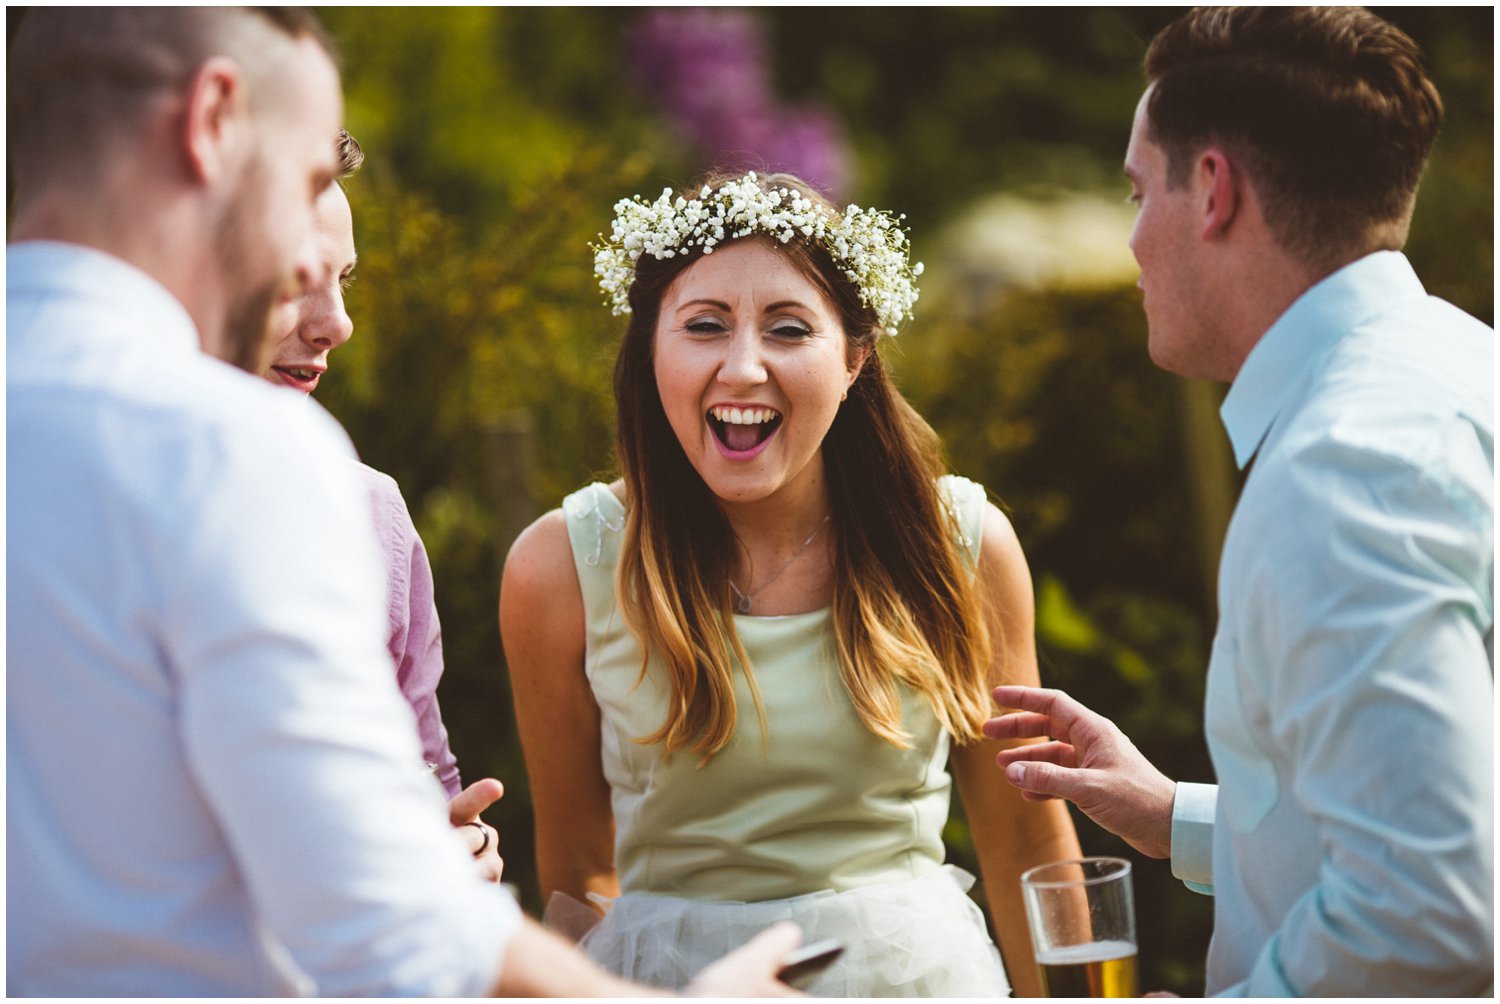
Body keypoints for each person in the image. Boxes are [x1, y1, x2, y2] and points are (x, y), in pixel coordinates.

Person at [7, 8, 802, 996]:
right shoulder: (222, 450)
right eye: (305, 184)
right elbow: (384, 923)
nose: (309, 267)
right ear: (211, 119)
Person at [986, 7, 1493, 996]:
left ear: (1212, 189)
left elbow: (1433, 901)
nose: (1132, 241)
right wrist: (1177, 815)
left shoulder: (1343, 462)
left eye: (1138, 193)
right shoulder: (1463, 365)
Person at [501, 170, 1081, 996]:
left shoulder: (962, 544)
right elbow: (578, 873)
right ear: (650, 348)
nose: (743, 369)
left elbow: (1024, 846)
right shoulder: (561, 565)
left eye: (787, 329)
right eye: (703, 326)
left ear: (853, 358)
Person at [262, 128, 464, 801]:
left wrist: (464, 842)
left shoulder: (372, 512)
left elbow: (429, 776)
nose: (337, 323)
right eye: (296, 279)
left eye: (344, 280)